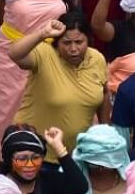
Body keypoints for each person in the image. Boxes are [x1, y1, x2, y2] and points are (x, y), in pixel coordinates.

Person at [7, 14, 106, 151]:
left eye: (79, 42)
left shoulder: (97, 58)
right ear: (56, 43)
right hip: (35, 152)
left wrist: (106, 130)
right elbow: (14, 54)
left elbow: (104, 94)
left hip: (75, 154)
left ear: (88, 40)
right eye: (66, 43)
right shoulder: (44, 53)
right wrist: (42, 34)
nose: (73, 49)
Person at [0, 125, 90, 194]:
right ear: (8, 160)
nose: (30, 164)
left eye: (36, 158)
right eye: (22, 159)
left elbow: (80, 187)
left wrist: (59, 148)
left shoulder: (49, 180)